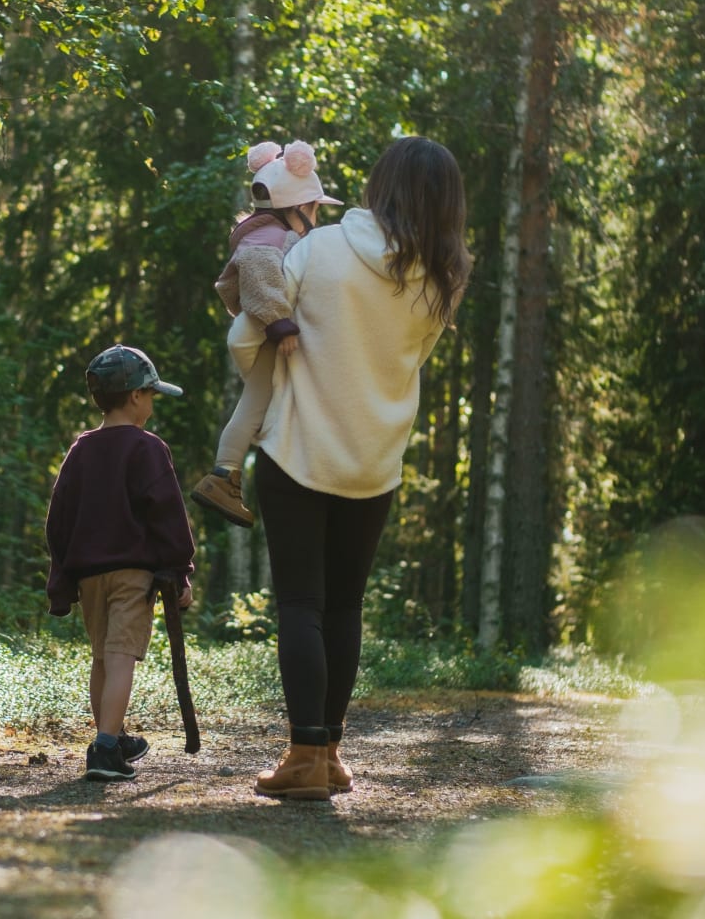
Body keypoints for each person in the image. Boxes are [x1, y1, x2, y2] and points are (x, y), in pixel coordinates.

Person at [239, 136, 472, 801]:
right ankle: (331, 753)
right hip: (376, 459)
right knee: (344, 607)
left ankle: (306, 757)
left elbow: (261, 309)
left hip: (298, 449)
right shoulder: (440, 279)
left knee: (300, 605)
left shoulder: (325, 247)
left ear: (380, 185)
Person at [44, 344, 197, 783]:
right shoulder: (147, 448)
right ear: (134, 396)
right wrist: (180, 570)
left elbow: (59, 519)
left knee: (102, 659)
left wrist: (63, 575)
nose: (152, 403)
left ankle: (112, 734)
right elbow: (166, 515)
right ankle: (106, 747)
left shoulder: (81, 450)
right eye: (151, 394)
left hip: (89, 575)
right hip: (133, 574)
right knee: (121, 656)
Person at [190, 140, 343, 528]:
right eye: (313, 210)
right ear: (295, 209)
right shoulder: (269, 239)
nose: (316, 220)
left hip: (258, 333)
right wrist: (280, 323)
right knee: (260, 398)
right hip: (264, 333)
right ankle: (224, 475)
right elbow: (259, 273)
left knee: (257, 401)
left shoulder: (264, 233)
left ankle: (226, 473)